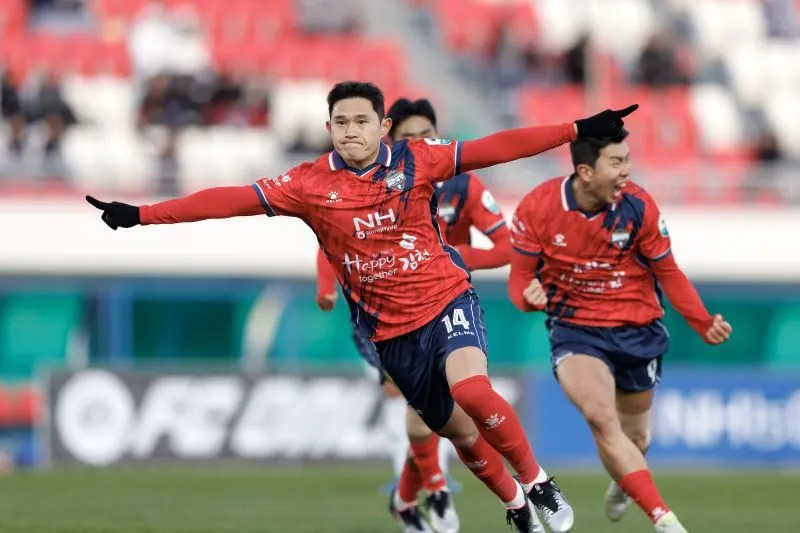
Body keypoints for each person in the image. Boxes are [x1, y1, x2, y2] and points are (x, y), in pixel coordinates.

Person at [87, 80, 637, 533]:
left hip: (447, 297)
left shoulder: (418, 161)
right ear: (329, 128)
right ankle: (516, 506)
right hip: (391, 334)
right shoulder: (305, 184)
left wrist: (574, 129)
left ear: (383, 127)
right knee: (461, 435)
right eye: (341, 122)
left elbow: (497, 146)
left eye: (362, 121)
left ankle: (538, 481)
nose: (352, 131)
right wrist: (142, 215)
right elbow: (226, 201)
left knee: (472, 389)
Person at [507, 128, 732, 533]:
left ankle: (624, 481)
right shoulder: (538, 207)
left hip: (637, 330)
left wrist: (702, 322)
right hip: (576, 331)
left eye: (627, 160)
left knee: (637, 439)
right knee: (600, 418)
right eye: (617, 162)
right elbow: (518, 280)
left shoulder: (638, 206)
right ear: (585, 171)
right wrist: (528, 297)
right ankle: (664, 519)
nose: (627, 171)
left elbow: (669, 272)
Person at [315, 97, 512, 533]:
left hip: (442, 304)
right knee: (412, 401)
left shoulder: (464, 185)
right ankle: (437, 490)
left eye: (427, 136)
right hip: (381, 310)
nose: (419, 145)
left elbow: (506, 248)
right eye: (409, 138)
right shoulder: (371, 182)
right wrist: (325, 287)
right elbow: (330, 236)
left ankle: (406, 498)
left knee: (437, 408)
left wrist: (447, 256)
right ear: (390, 139)